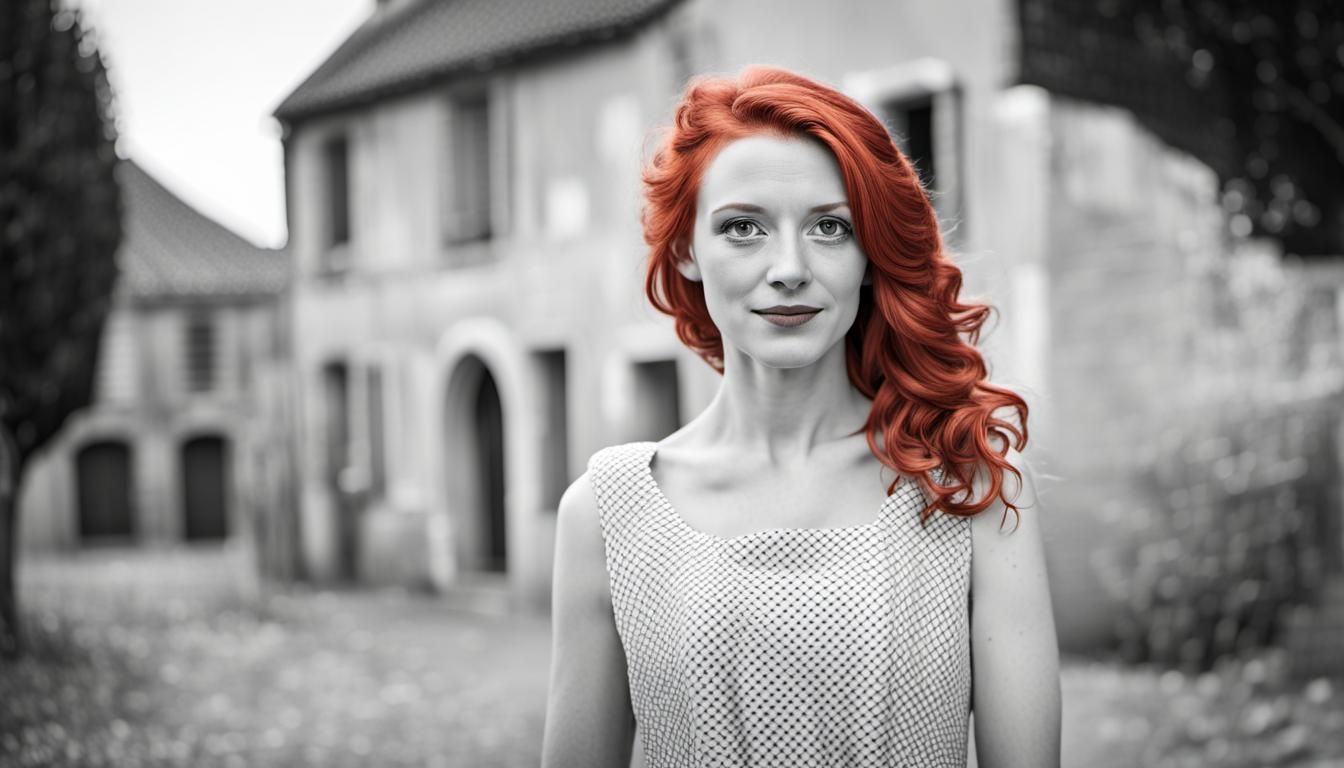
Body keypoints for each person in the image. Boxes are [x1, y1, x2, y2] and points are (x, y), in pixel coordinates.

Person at [541, 65, 1060, 768]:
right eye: (744, 227)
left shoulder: (970, 485)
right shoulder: (608, 513)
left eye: (829, 227)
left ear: (871, 254)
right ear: (688, 248)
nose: (788, 266)